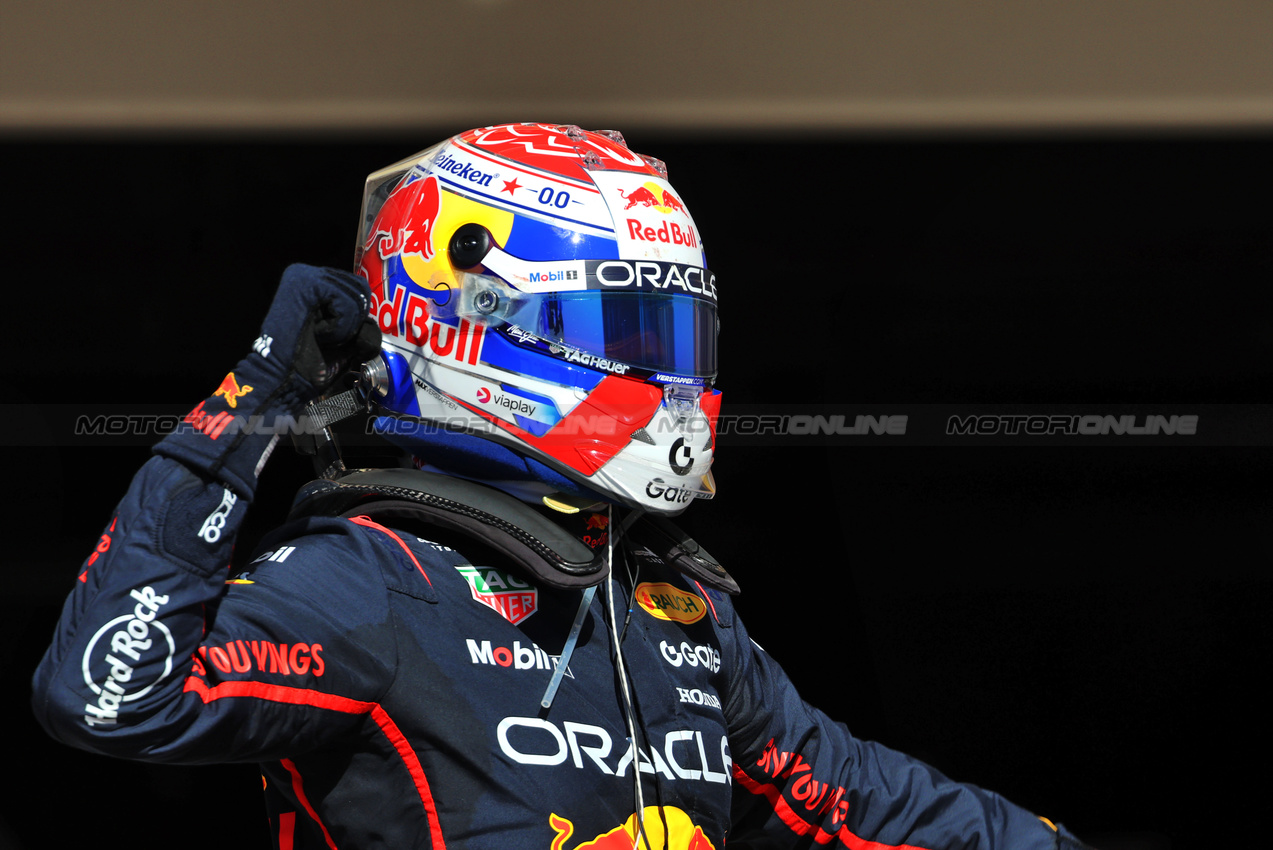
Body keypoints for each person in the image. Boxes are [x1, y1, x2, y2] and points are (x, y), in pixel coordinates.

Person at [31, 123, 1090, 850]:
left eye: (672, 332)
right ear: (474, 321)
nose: (661, 369)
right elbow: (106, 696)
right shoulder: (370, 581)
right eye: (622, 330)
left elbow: (866, 805)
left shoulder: (665, 605)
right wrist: (259, 391)